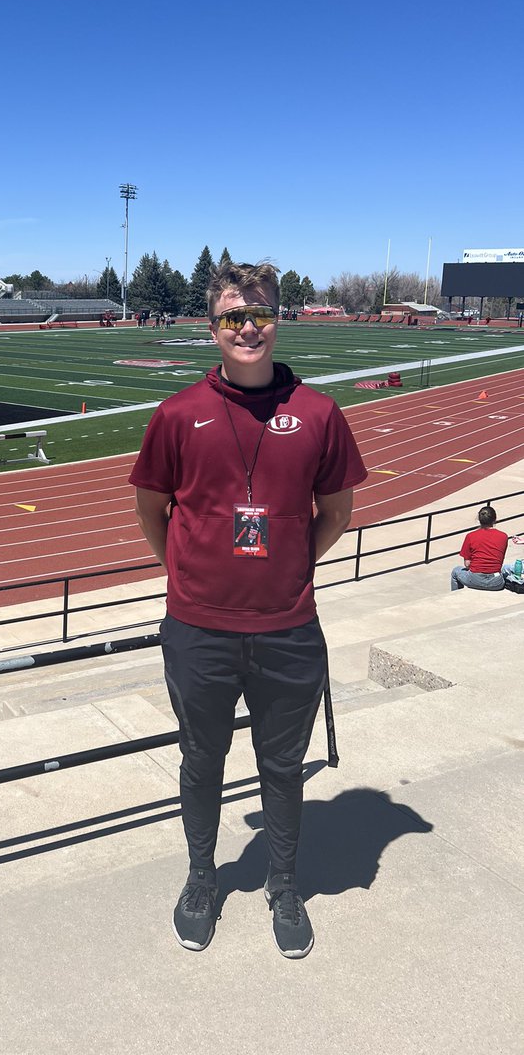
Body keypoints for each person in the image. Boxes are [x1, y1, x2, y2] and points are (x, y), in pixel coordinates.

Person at [129, 259, 366, 959]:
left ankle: (284, 885)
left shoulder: (320, 413)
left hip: (289, 628)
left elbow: (336, 513)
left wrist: (290, 569)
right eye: (234, 316)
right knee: (201, 761)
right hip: (198, 629)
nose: (248, 327)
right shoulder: (177, 414)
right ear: (213, 329)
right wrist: (185, 573)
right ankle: (202, 878)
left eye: (259, 313)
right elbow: (151, 510)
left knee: (283, 767)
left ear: (278, 320)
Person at [450, 506, 509, 591]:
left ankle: (455, 597)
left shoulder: (471, 536)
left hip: (475, 579)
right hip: (496, 582)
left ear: (479, 520)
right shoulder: (503, 536)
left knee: (456, 571)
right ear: (494, 519)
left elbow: (467, 564)